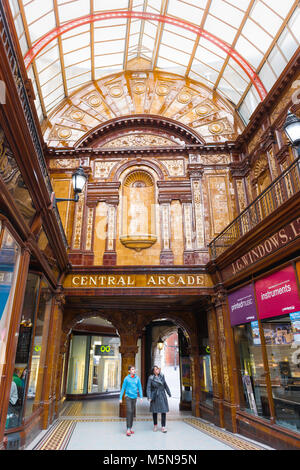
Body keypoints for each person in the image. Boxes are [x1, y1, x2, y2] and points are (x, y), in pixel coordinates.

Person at [119, 365, 143, 436]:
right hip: (128, 397)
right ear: (129, 371)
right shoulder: (126, 378)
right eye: (132, 369)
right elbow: (123, 388)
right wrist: (120, 398)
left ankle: (130, 427)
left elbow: (140, 387)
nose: (134, 370)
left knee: (132, 412)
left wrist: (141, 396)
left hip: (134, 397)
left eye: (134, 369)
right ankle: (128, 428)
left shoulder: (137, 378)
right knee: (129, 411)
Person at [147, 365, 171, 433]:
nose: (158, 370)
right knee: (155, 411)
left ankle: (163, 426)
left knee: (163, 411)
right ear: (153, 371)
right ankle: (155, 425)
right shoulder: (151, 378)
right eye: (156, 369)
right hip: (155, 395)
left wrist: (169, 393)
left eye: (158, 368)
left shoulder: (162, 376)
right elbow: (148, 387)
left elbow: (165, 385)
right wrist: (149, 397)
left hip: (162, 395)